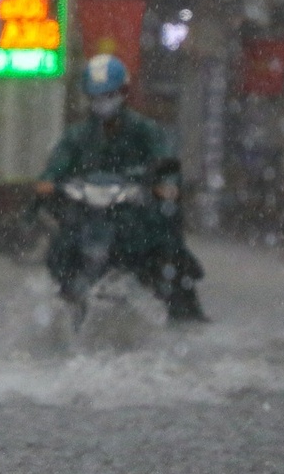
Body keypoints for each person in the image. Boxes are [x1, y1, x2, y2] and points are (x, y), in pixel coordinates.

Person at [36, 53, 206, 322]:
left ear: (123, 93)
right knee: (61, 247)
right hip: (88, 213)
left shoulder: (145, 130)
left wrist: (166, 185)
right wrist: (48, 182)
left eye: (108, 95)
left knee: (166, 246)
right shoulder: (78, 135)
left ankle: (182, 309)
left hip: (134, 212)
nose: (102, 103)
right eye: (96, 97)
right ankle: (67, 296)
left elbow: (166, 161)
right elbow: (58, 163)